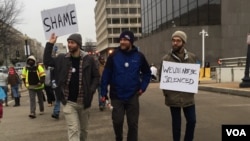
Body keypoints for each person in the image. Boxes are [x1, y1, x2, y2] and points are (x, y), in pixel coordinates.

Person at [43, 33, 99, 141]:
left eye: (72, 43)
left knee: (83, 131)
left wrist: (91, 90)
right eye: (68, 42)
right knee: (73, 129)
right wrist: (50, 44)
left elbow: (96, 77)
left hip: (84, 102)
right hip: (68, 102)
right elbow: (47, 61)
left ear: (78, 44)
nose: (69, 45)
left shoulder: (89, 59)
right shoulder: (62, 58)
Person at [100, 30, 151, 141]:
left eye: (125, 40)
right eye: (121, 39)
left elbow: (147, 73)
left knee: (133, 124)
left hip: (133, 95)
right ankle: (119, 138)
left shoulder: (139, 56)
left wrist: (142, 88)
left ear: (131, 41)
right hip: (116, 95)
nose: (122, 42)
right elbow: (106, 75)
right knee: (117, 121)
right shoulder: (114, 56)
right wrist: (103, 92)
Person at [160, 30, 198, 141]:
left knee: (192, 120)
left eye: (178, 40)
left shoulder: (192, 57)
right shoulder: (166, 59)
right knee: (176, 125)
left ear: (183, 42)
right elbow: (162, 77)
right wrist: (166, 93)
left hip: (188, 96)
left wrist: (192, 86)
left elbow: (194, 75)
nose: (175, 43)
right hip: (173, 97)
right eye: (173, 40)